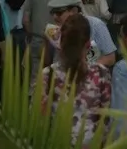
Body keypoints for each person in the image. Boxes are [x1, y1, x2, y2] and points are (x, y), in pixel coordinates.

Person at [39, 15, 111, 148]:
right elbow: (106, 120)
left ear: (60, 43)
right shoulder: (101, 74)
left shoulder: (48, 75)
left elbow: (39, 117)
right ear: (88, 44)